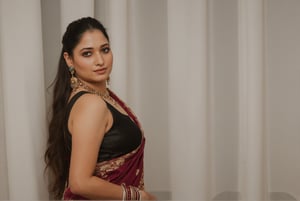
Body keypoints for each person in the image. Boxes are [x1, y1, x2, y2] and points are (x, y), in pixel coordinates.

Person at [44, 17, 156, 200]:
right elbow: (80, 182)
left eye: (105, 50)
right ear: (69, 59)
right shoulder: (91, 104)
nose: (100, 61)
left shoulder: (101, 97)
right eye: (87, 54)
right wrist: (139, 197)